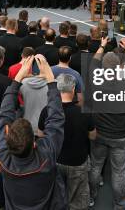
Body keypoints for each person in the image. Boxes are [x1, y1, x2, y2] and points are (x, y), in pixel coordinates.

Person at [0, 55, 66, 209]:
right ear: (34, 143)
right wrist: (50, 81)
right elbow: (55, 120)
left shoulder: (3, 156)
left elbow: (4, 113)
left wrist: (18, 78)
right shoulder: (46, 156)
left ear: (7, 136)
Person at [88, 39, 125, 210]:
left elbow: (93, 61)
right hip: (121, 134)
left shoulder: (96, 78)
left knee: (95, 166)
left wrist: (101, 46)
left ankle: (91, 196)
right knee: (118, 172)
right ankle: (119, 204)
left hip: (99, 131)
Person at [38, 74, 95, 210]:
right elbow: (93, 136)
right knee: (78, 199)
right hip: (77, 162)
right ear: (73, 89)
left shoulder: (47, 110)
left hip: (55, 160)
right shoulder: (83, 112)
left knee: (57, 195)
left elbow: (40, 135)